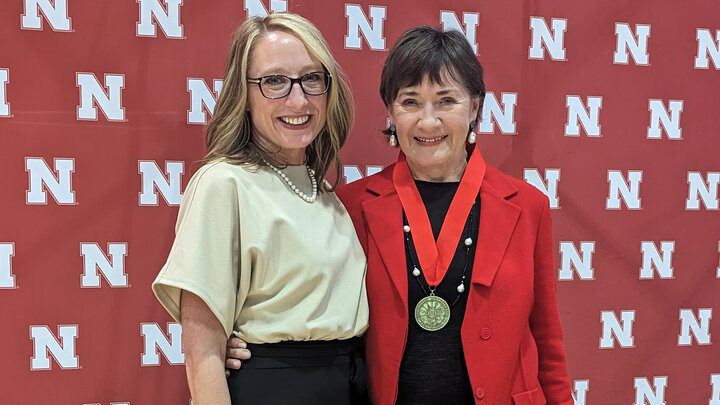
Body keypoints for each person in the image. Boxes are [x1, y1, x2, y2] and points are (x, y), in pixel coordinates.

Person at [228, 25, 573, 404]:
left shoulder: (526, 206)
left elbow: (548, 341)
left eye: (446, 101)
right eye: (410, 102)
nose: (428, 122)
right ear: (391, 111)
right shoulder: (351, 206)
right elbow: (317, 310)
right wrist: (248, 346)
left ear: (474, 107)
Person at [152, 13, 369, 405]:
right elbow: (202, 354)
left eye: (311, 78)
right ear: (244, 95)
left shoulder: (325, 193)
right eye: (274, 81)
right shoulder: (222, 184)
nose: (298, 99)